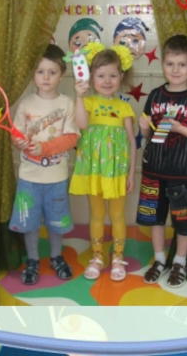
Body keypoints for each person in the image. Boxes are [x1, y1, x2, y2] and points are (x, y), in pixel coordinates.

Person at [137, 35, 187, 288]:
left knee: (184, 222)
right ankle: (159, 260)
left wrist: (181, 128)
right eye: (170, 64)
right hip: (153, 171)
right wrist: (144, 126)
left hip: (185, 174)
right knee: (154, 218)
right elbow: (148, 135)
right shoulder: (155, 95)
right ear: (163, 65)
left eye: (182, 64)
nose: (175, 70)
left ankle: (180, 263)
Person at [9, 45, 80, 285]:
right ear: (33, 74)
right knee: (29, 223)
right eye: (40, 72)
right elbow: (17, 134)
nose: (46, 77)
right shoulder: (26, 104)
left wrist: (45, 148)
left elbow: (72, 138)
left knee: (56, 223)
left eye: (52, 72)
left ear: (62, 74)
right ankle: (32, 260)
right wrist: (20, 142)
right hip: (28, 178)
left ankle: (56, 256)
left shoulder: (68, 104)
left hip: (56, 179)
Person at [69, 43, 137, 281]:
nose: (107, 81)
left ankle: (118, 256)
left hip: (117, 173)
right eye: (100, 75)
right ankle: (98, 256)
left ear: (121, 77)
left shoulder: (124, 107)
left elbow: (132, 141)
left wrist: (131, 173)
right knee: (97, 214)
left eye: (112, 75)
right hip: (94, 172)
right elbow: (81, 124)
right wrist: (79, 96)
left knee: (117, 215)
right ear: (91, 77)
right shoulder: (87, 103)